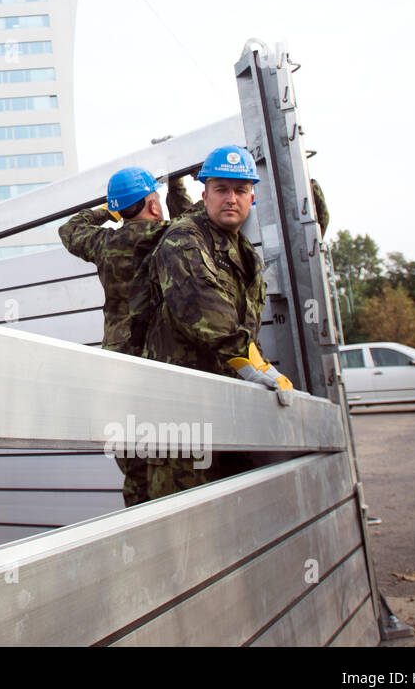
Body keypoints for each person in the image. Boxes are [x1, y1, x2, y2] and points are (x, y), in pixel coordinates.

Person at [137, 146, 292, 499]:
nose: (231, 199)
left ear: (252, 197)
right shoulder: (184, 239)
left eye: (240, 190)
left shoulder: (245, 253)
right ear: (204, 195)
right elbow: (203, 308)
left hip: (229, 407)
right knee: (181, 521)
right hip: (181, 417)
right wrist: (253, 363)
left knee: (233, 514)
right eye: (221, 189)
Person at [58, 167, 192, 505]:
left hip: (117, 366)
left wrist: (108, 210)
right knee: (172, 454)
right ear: (153, 206)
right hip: (159, 361)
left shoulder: (106, 243)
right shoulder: (168, 236)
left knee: (134, 461)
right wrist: (177, 183)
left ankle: (139, 519)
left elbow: (69, 229)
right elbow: (192, 217)